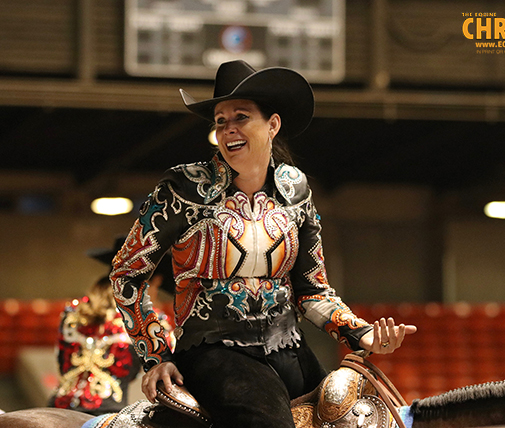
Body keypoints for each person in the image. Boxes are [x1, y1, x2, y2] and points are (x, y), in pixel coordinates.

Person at [110, 59, 417, 428]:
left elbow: (312, 290)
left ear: (273, 125)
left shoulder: (296, 189)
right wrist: (157, 356)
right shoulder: (182, 188)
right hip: (213, 352)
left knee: (357, 418)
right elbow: (126, 274)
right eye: (220, 121)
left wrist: (361, 333)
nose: (228, 129)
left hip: (290, 349)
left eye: (241, 117)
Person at [48, 276, 141, 415]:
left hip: (61, 404)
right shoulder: (143, 318)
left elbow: (61, 361)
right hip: (107, 408)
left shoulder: (72, 312)